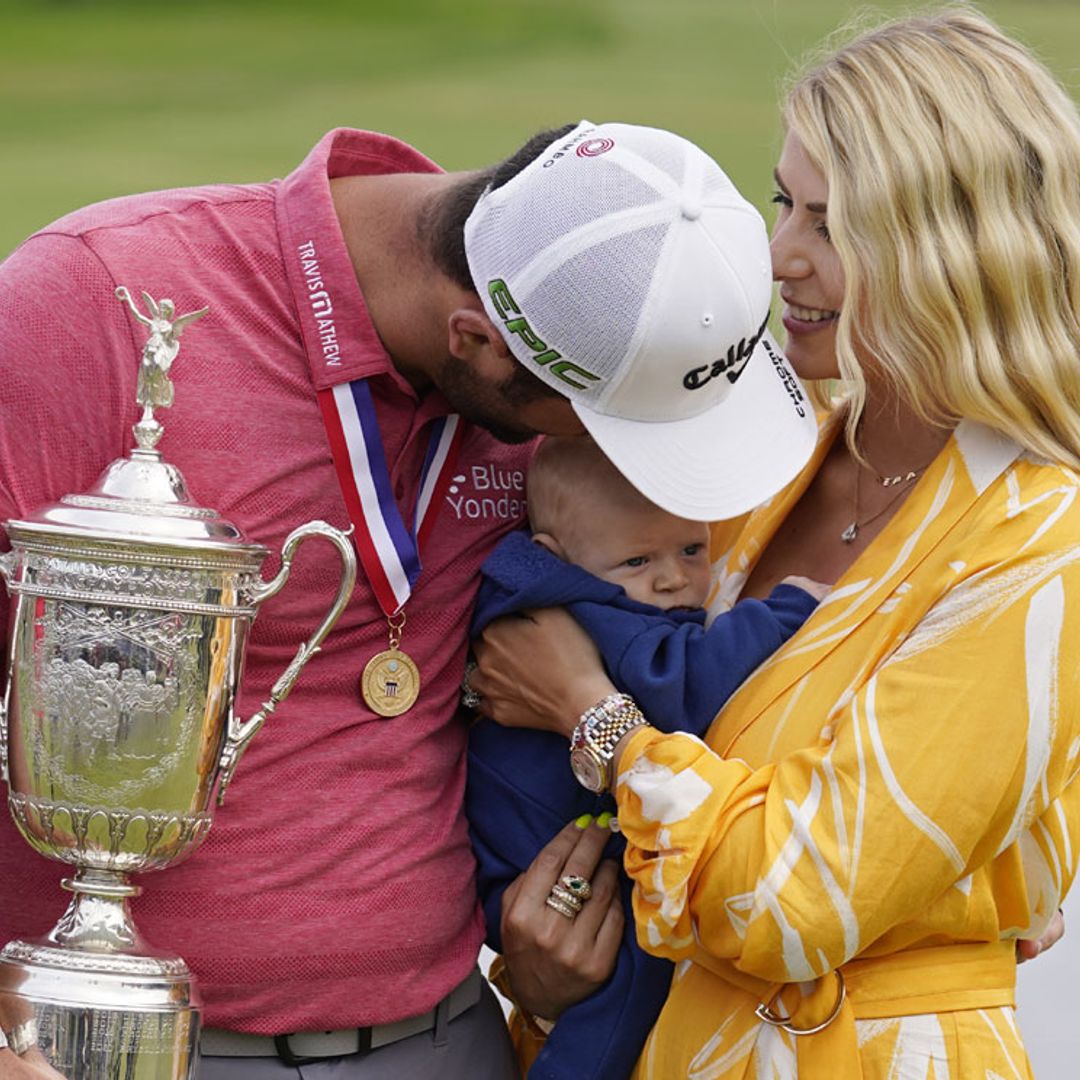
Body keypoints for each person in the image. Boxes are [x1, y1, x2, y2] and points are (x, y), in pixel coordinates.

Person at [0, 120, 817, 1077]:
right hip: (114, 1046)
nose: (627, 465)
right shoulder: (95, 300)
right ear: (475, 341)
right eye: (608, 432)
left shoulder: (582, 317)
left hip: (450, 1034)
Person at [470, 9, 1080, 1078]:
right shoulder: (756, 473)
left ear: (956, 250)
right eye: (780, 203)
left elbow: (793, 901)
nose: (778, 257)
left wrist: (590, 714)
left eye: (833, 227)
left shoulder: (1040, 541)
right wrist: (547, 961)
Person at [466, 435, 825, 1078]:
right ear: (557, 554)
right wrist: (785, 612)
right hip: (546, 861)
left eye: (692, 548)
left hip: (525, 852)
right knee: (633, 975)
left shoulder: (567, 586)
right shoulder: (586, 611)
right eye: (637, 560)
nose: (672, 578)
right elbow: (678, 686)